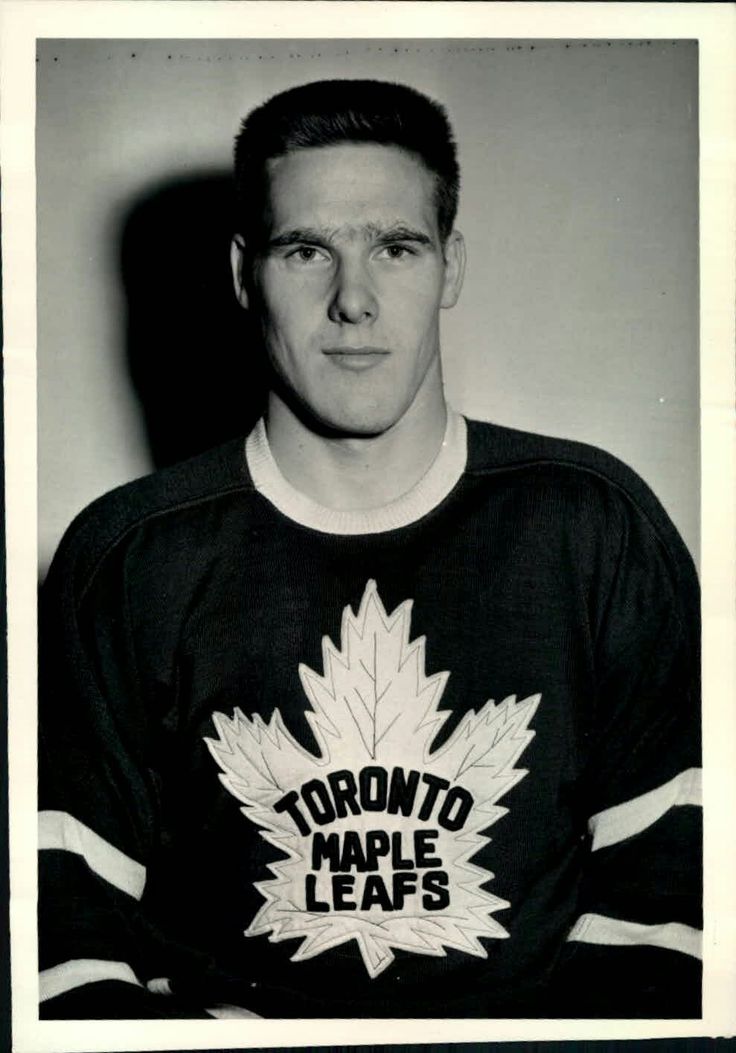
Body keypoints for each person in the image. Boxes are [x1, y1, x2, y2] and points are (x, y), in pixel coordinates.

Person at [38, 79, 701, 1020]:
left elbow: (674, 916)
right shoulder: (127, 559)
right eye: (306, 250)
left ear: (451, 267)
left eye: (396, 247)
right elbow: (62, 946)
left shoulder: (592, 526)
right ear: (241, 273)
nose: (354, 299)